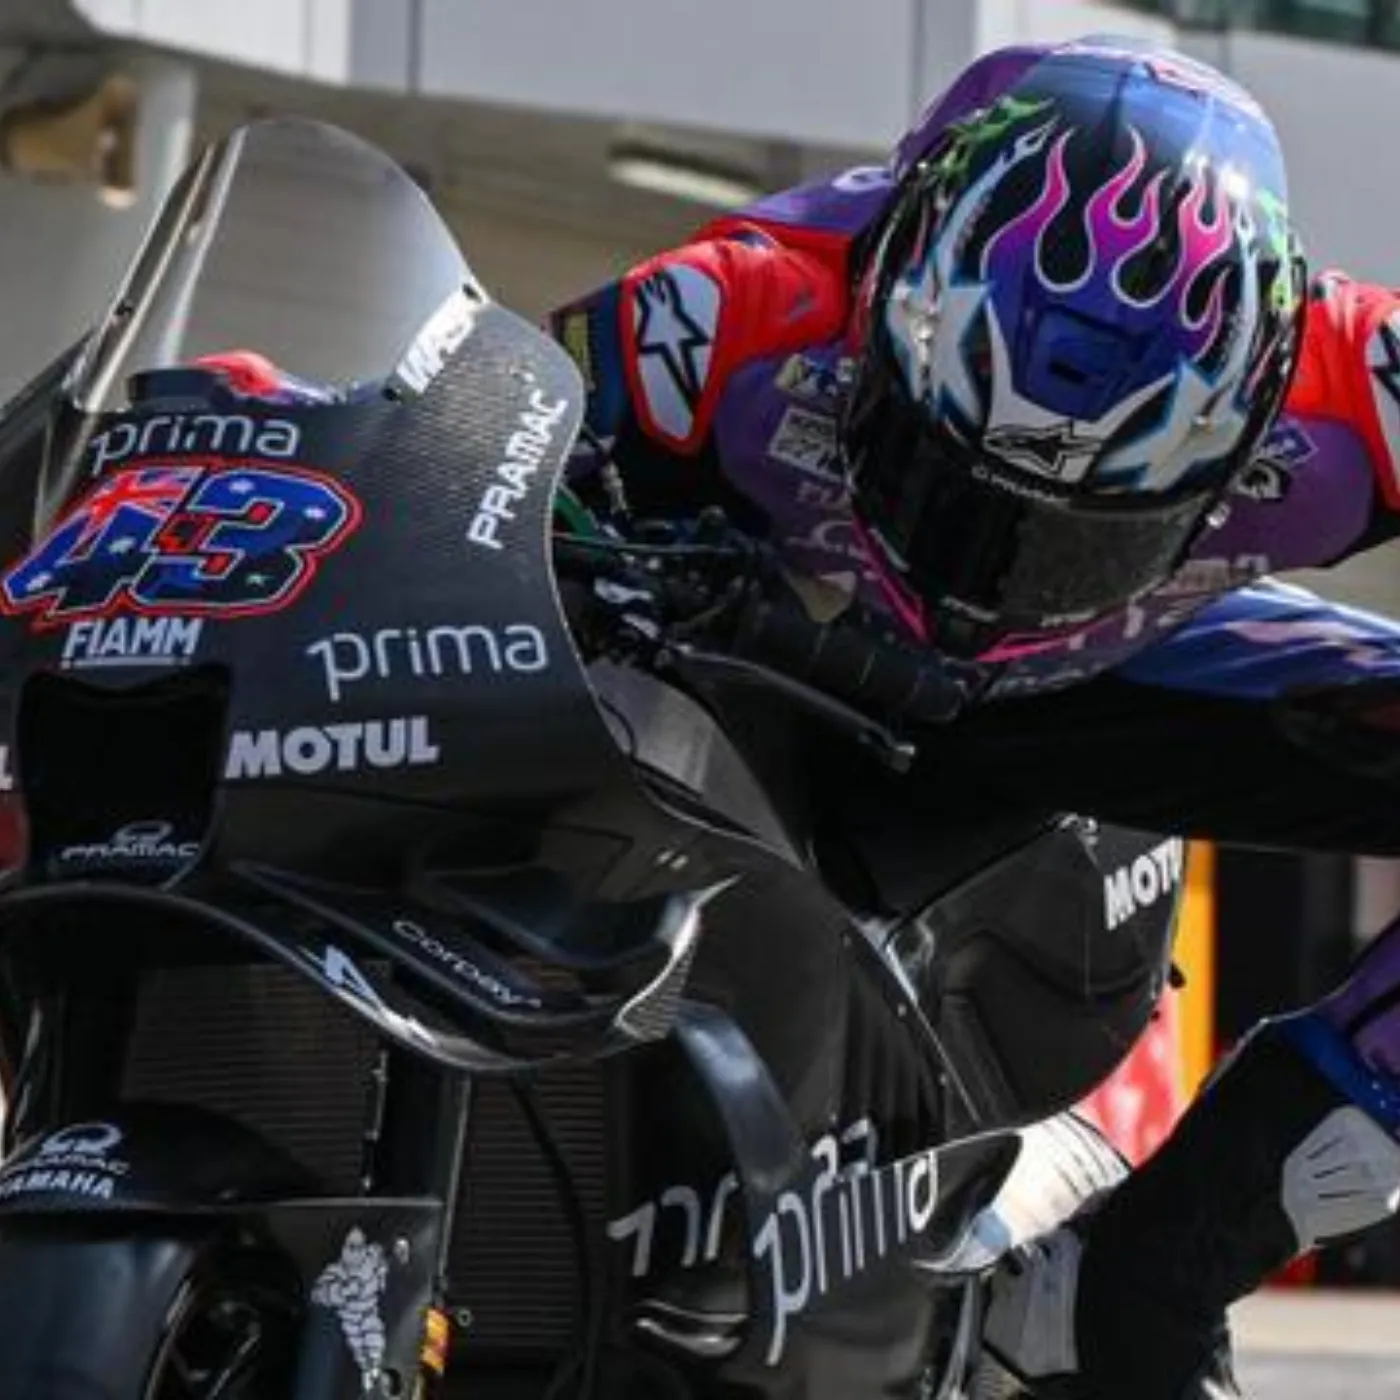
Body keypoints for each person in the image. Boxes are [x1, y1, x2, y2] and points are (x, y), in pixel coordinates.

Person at [543, 34, 1400, 1400]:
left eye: (1078, 529)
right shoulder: (717, 310)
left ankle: (1178, 1244)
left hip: (1113, 682)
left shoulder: (1361, 378)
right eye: (958, 486)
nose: (1003, 572)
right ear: (884, 310)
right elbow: (483, 484)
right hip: (795, 666)